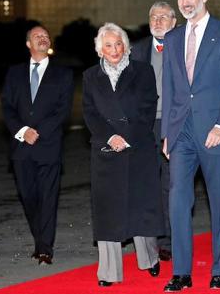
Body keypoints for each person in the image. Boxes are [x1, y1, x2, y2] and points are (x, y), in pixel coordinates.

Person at [161, 0, 220, 291]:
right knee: (178, 201)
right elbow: (169, 88)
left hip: (215, 131)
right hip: (182, 132)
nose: (185, 2)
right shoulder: (172, 38)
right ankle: (181, 272)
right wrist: (168, 132)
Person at [82, 23, 165, 287]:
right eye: (108, 45)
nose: (115, 49)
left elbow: (148, 109)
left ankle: (150, 259)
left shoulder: (143, 71)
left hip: (138, 148)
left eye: (119, 44)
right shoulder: (90, 76)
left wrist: (127, 137)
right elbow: (90, 113)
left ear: (126, 46)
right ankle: (108, 272)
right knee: (108, 212)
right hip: (106, 152)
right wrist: (111, 136)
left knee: (141, 205)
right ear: (100, 50)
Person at [1, 25, 74, 266]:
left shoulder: (63, 74)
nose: (42, 38)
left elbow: (62, 111)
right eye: (36, 36)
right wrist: (23, 131)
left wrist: (39, 132)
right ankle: (40, 238)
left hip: (48, 145)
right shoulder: (14, 73)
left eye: (45, 35)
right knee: (28, 196)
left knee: (48, 197)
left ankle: (44, 248)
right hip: (21, 148)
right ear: (28, 44)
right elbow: (8, 108)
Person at [131, 1, 177, 261]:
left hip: (173, 124)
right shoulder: (137, 50)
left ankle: (169, 239)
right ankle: (150, 237)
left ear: (173, 21)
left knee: (170, 184)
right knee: (146, 184)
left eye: (163, 17)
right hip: (145, 126)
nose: (157, 21)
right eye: (153, 16)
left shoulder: (184, 47)